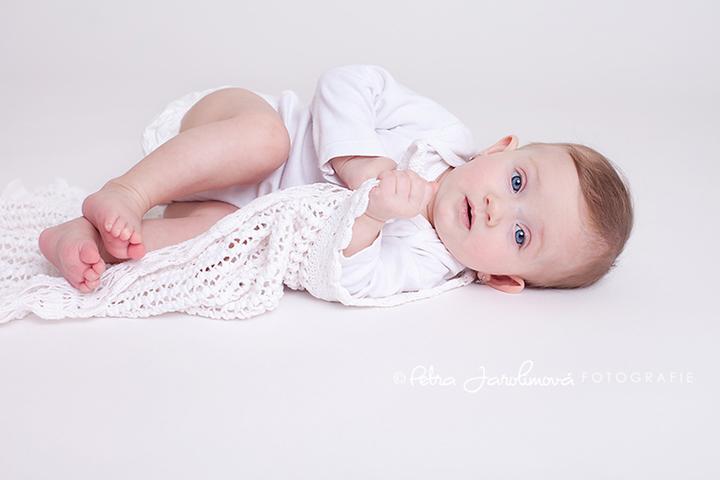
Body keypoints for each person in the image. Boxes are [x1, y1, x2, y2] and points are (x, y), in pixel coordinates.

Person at [37, 64, 634, 297]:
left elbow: (351, 278)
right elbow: (349, 82)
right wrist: (359, 165)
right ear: (501, 149)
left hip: (236, 210)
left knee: (228, 242)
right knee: (266, 141)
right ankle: (131, 191)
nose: (500, 209)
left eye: (521, 236)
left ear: (500, 277)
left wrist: (371, 217)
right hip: (229, 131)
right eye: (518, 183)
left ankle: (88, 241)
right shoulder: (439, 133)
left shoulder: (427, 262)